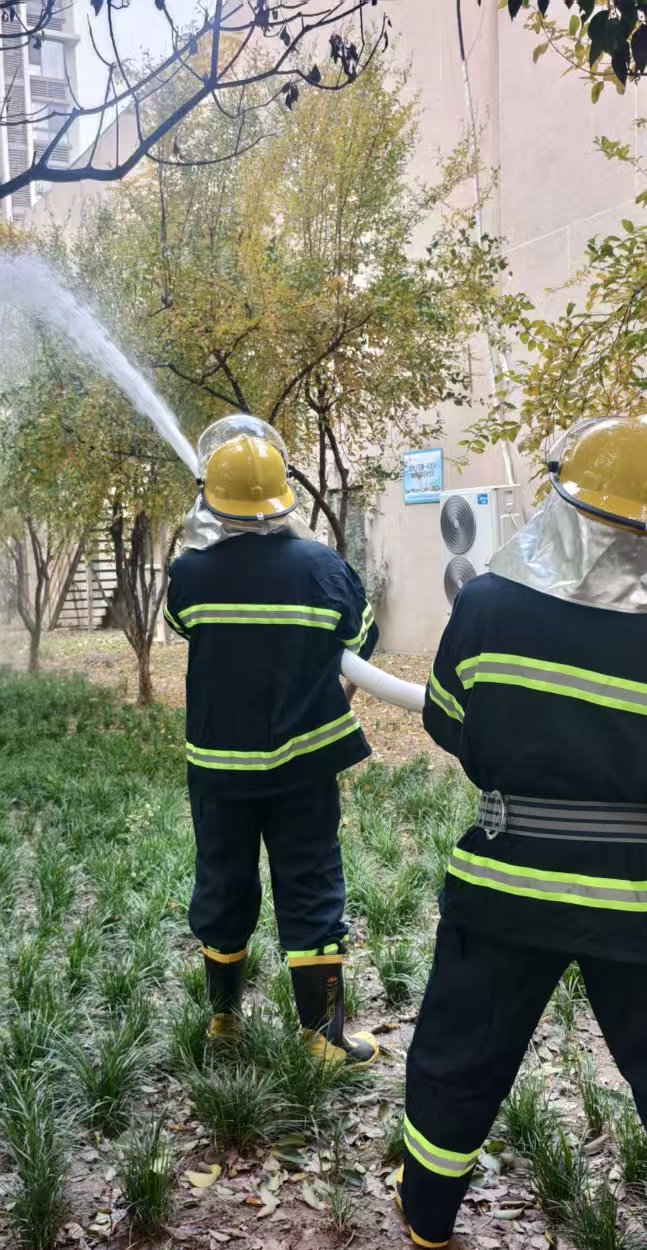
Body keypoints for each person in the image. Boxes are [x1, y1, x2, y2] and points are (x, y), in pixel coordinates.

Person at [396, 417, 647, 1250]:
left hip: (503, 887)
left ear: (564, 503)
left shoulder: (485, 604)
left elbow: (448, 723)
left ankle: (427, 1211)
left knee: (458, 1054)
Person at [163, 415, 381, 1066]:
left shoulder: (190, 574)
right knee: (311, 881)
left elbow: (181, 624)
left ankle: (224, 1020)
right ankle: (322, 1036)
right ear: (283, 493)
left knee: (222, 883)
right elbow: (362, 639)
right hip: (305, 763)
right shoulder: (325, 569)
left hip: (218, 766)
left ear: (212, 498)